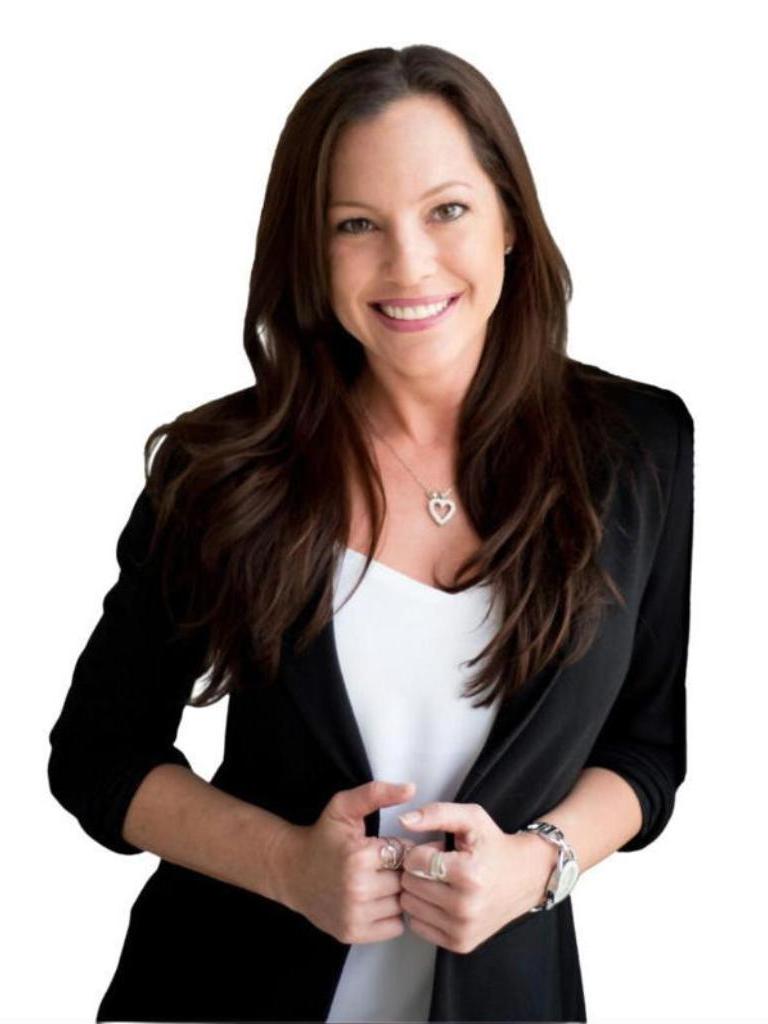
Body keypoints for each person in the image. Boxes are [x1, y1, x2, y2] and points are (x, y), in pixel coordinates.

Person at [47, 44, 694, 1024]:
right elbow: (97, 751)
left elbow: (647, 747)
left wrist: (535, 867)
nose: (408, 264)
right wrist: (287, 865)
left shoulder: (639, 449)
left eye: (447, 210)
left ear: (511, 220)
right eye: (356, 224)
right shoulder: (221, 469)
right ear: (310, 253)